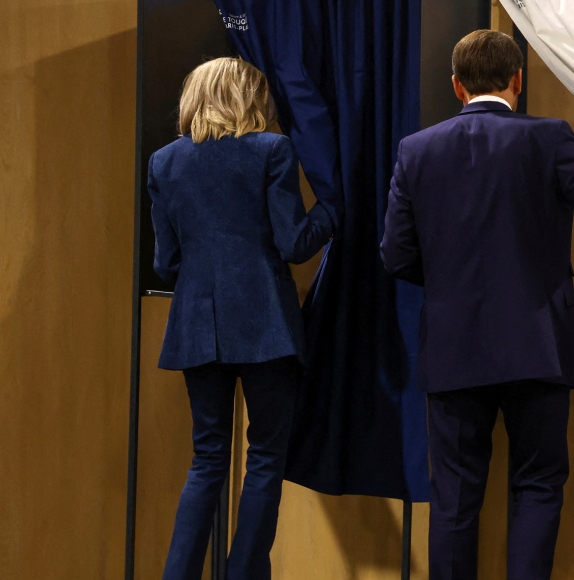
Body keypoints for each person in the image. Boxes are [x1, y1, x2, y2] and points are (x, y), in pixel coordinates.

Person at [381, 30, 574, 580]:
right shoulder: (550, 139)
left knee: (455, 502)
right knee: (537, 489)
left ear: (456, 87)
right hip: (537, 349)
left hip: (453, 353)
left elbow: (395, 255)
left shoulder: (416, 151)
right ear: (518, 79)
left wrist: (449, 287)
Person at [148, 57, 336, 580]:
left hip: (194, 326)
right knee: (265, 459)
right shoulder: (272, 150)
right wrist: (333, 209)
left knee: (207, 458)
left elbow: (165, 262)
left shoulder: (164, 162)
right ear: (250, 98)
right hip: (265, 327)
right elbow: (294, 243)